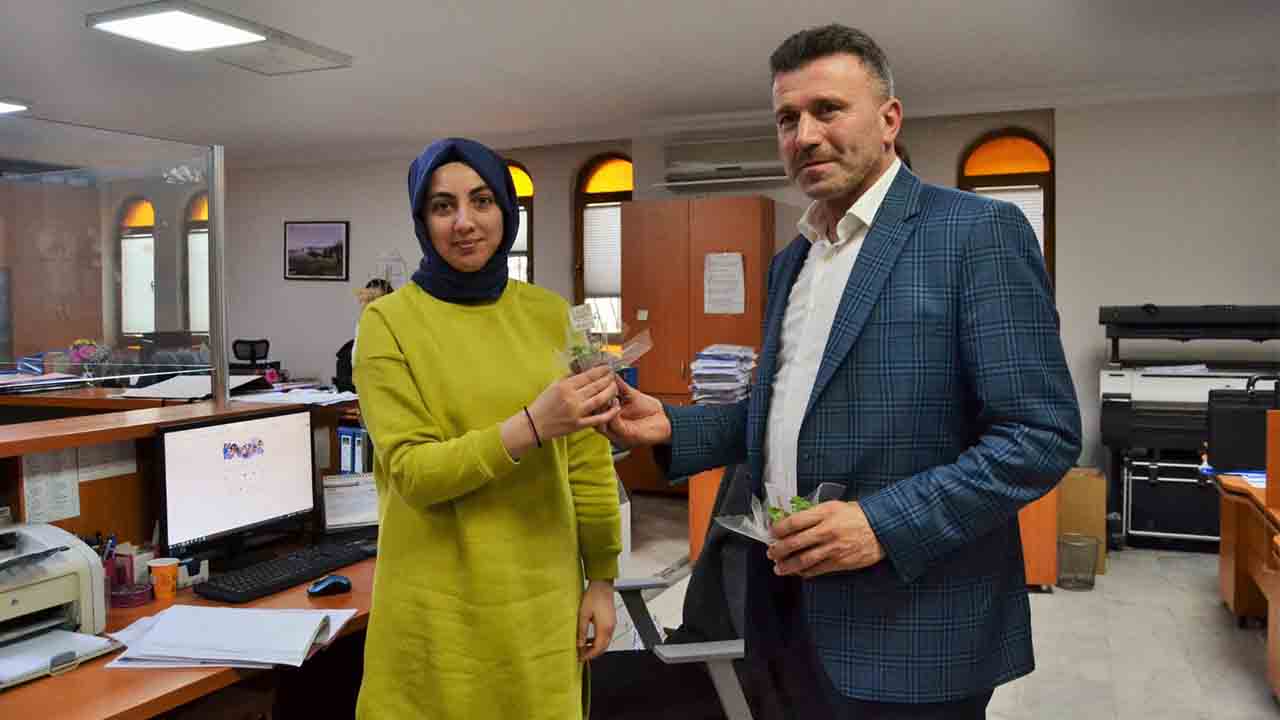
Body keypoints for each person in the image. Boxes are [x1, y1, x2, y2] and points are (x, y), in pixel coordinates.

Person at [605, 24, 1081, 719]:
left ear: (889, 120)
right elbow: (783, 415)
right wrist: (670, 425)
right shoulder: (792, 261)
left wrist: (881, 525)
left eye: (827, 109)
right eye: (787, 119)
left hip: (913, 628)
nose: (804, 135)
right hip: (783, 610)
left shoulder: (975, 233)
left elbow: (1039, 435)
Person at [353, 138, 623, 719]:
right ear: (422, 220)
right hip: (434, 611)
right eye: (442, 206)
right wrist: (531, 426)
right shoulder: (385, 324)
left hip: (541, 604)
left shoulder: (554, 314)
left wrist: (602, 577)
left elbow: (588, 460)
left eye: (481, 200)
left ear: (506, 208)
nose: (464, 222)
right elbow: (414, 473)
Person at [335, 278, 394, 392]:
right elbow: (344, 385)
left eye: (376, 300)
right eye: (368, 300)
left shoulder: (400, 341)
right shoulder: (347, 352)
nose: (371, 306)